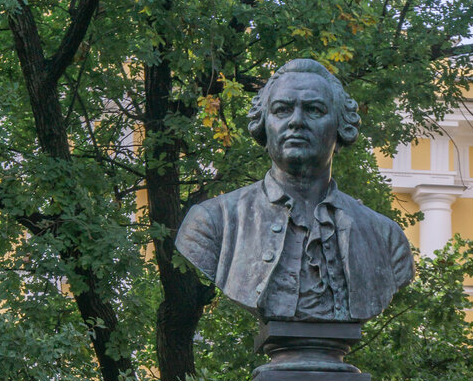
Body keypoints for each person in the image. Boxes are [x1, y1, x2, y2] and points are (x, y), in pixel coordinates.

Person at [175, 58, 414, 326]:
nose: (296, 121)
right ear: (263, 125)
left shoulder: (386, 238)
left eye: (313, 109)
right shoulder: (211, 223)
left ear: (341, 126)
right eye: (282, 110)